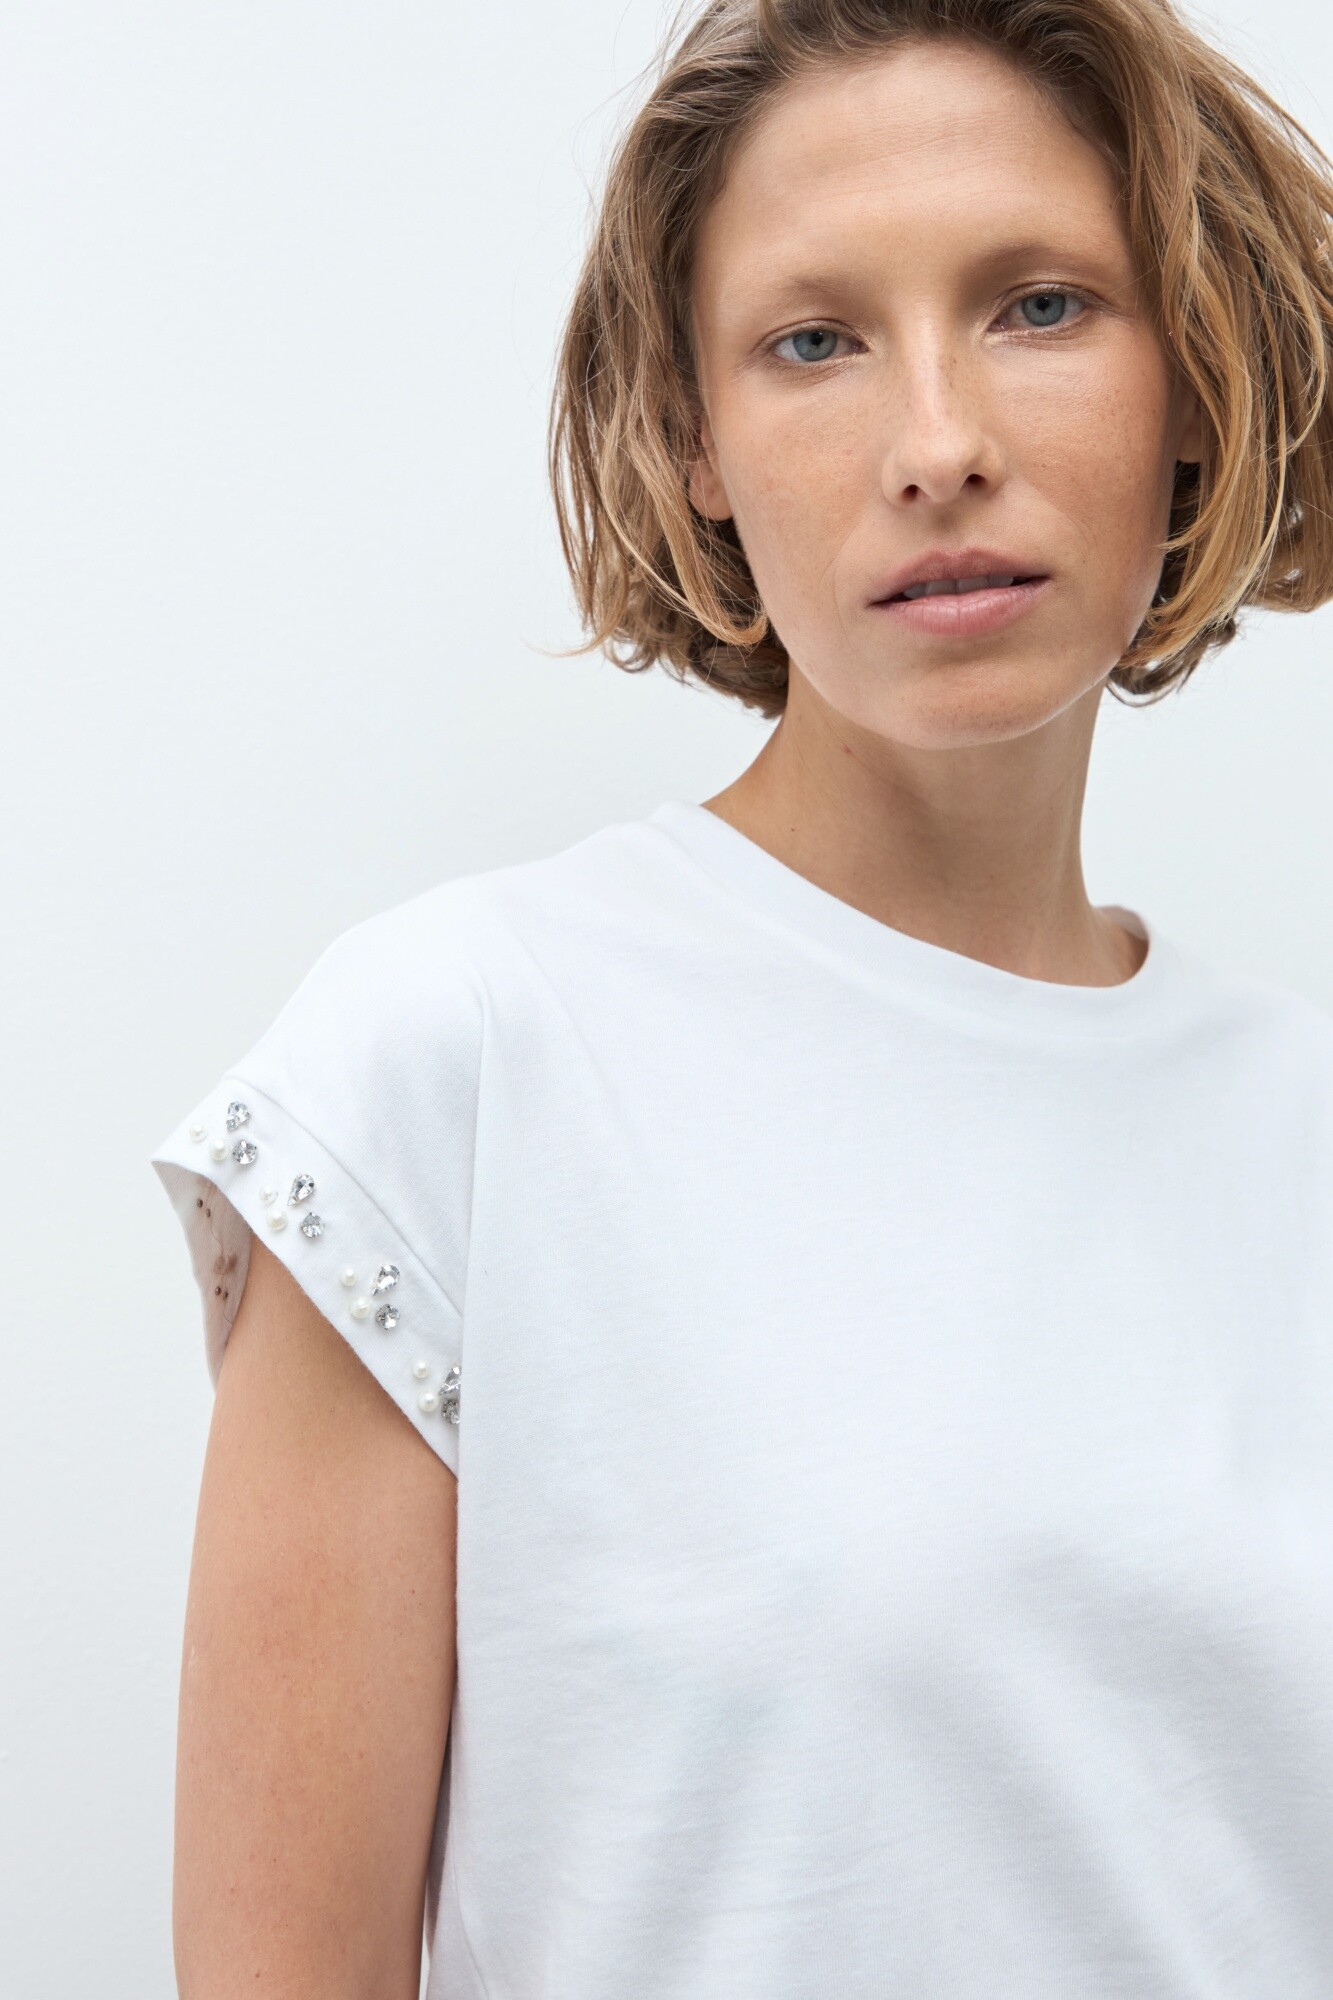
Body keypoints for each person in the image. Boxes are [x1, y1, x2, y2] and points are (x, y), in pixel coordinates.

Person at [150, 1, 1333, 1993]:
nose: (938, 444)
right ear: (688, 438)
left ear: (1196, 377)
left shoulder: (1302, 1127)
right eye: (811, 340)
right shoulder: (452, 1067)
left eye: (1039, 306)